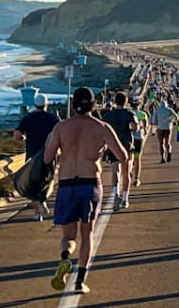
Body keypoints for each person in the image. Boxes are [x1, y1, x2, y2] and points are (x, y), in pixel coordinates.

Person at [43, 88, 128, 294]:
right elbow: (123, 156)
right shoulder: (101, 127)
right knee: (87, 232)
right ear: (93, 104)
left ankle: (65, 258)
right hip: (90, 183)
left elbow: (47, 158)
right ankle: (80, 281)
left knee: (68, 236)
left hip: (66, 184)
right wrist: (102, 151)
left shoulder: (61, 126)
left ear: (73, 104)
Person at [13, 96, 60, 219]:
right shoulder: (53, 119)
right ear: (46, 104)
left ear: (34, 104)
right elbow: (61, 134)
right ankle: (43, 199)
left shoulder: (27, 119)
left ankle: (37, 213)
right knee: (49, 180)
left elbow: (16, 136)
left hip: (32, 156)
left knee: (32, 184)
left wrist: (24, 137)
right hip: (49, 154)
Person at [99, 91, 140, 209]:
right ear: (126, 102)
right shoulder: (129, 114)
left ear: (115, 101)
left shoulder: (107, 115)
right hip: (126, 145)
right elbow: (135, 127)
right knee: (126, 172)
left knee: (115, 171)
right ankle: (125, 199)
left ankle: (115, 194)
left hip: (112, 146)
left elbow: (103, 129)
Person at [151, 94, 176, 163]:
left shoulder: (157, 111)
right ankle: (169, 154)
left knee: (161, 143)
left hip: (160, 128)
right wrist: (172, 121)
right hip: (168, 127)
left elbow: (154, 121)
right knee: (168, 142)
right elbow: (177, 117)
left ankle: (163, 158)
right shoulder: (169, 110)